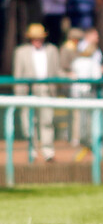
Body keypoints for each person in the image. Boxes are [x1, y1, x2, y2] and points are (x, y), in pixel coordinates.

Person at [13, 24, 61, 162]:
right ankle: (32, 151)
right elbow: (18, 74)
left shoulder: (52, 50)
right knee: (28, 123)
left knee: (47, 121)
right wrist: (19, 95)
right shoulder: (21, 52)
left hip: (46, 90)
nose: (37, 41)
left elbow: (57, 71)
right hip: (28, 91)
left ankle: (48, 152)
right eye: (34, 38)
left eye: (39, 38)